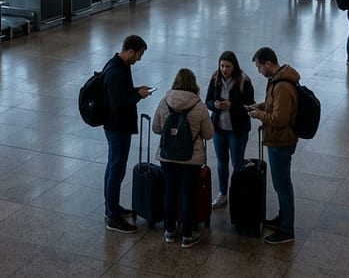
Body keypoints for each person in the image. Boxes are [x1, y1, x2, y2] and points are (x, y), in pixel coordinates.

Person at [152, 68, 214, 248]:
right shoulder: (199, 105)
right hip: (191, 159)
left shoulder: (165, 102)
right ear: (194, 84)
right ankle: (187, 235)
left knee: (170, 193)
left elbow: (156, 128)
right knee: (188, 195)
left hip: (168, 157)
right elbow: (209, 134)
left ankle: (169, 232)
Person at [247, 47, 299, 245]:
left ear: (268, 63)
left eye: (260, 67)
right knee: (281, 184)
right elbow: (275, 106)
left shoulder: (282, 86)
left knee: (282, 185)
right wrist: (260, 106)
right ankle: (282, 218)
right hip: (279, 139)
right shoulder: (277, 80)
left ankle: (287, 229)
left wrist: (260, 115)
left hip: (281, 140)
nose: (259, 71)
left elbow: (279, 118)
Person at [102, 35, 153, 233]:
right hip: (117, 128)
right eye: (139, 54)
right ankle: (113, 217)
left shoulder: (121, 66)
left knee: (115, 168)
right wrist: (137, 96)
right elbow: (118, 104)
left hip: (119, 126)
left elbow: (121, 93)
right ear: (130, 51)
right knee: (116, 170)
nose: (139, 59)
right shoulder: (116, 71)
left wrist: (135, 90)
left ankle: (112, 207)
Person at [204, 51, 255, 210]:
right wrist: (215, 105)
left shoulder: (243, 81)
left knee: (237, 163)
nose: (224, 69)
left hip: (237, 130)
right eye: (222, 66)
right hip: (219, 128)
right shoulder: (215, 78)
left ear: (234, 66)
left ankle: (238, 194)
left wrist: (232, 106)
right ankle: (222, 194)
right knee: (221, 162)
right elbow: (208, 101)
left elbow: (250, 105)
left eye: (227, 66)